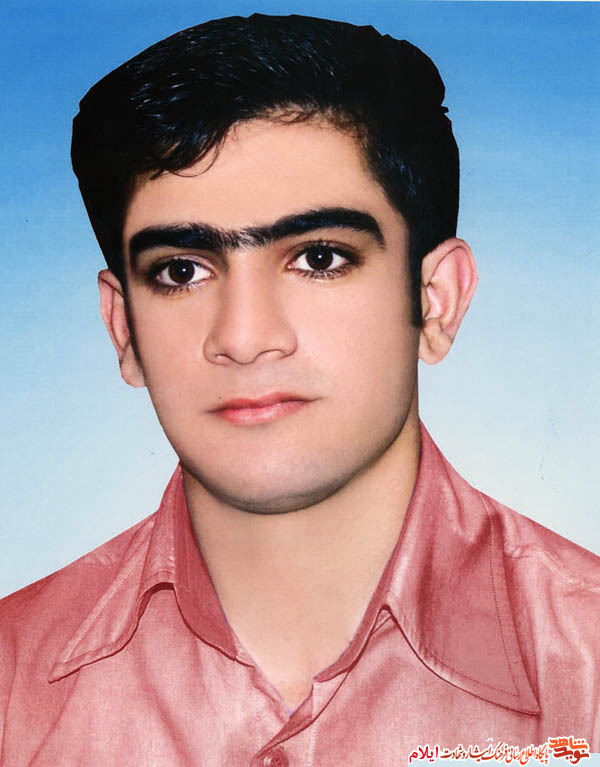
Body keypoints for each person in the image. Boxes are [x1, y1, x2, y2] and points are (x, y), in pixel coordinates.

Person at [0, 14, 598, 766]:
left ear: (436, 301)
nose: (245, 336)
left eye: (318, 257)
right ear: (124, 328)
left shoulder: (587, 665)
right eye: (181, 270)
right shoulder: (10, 683)